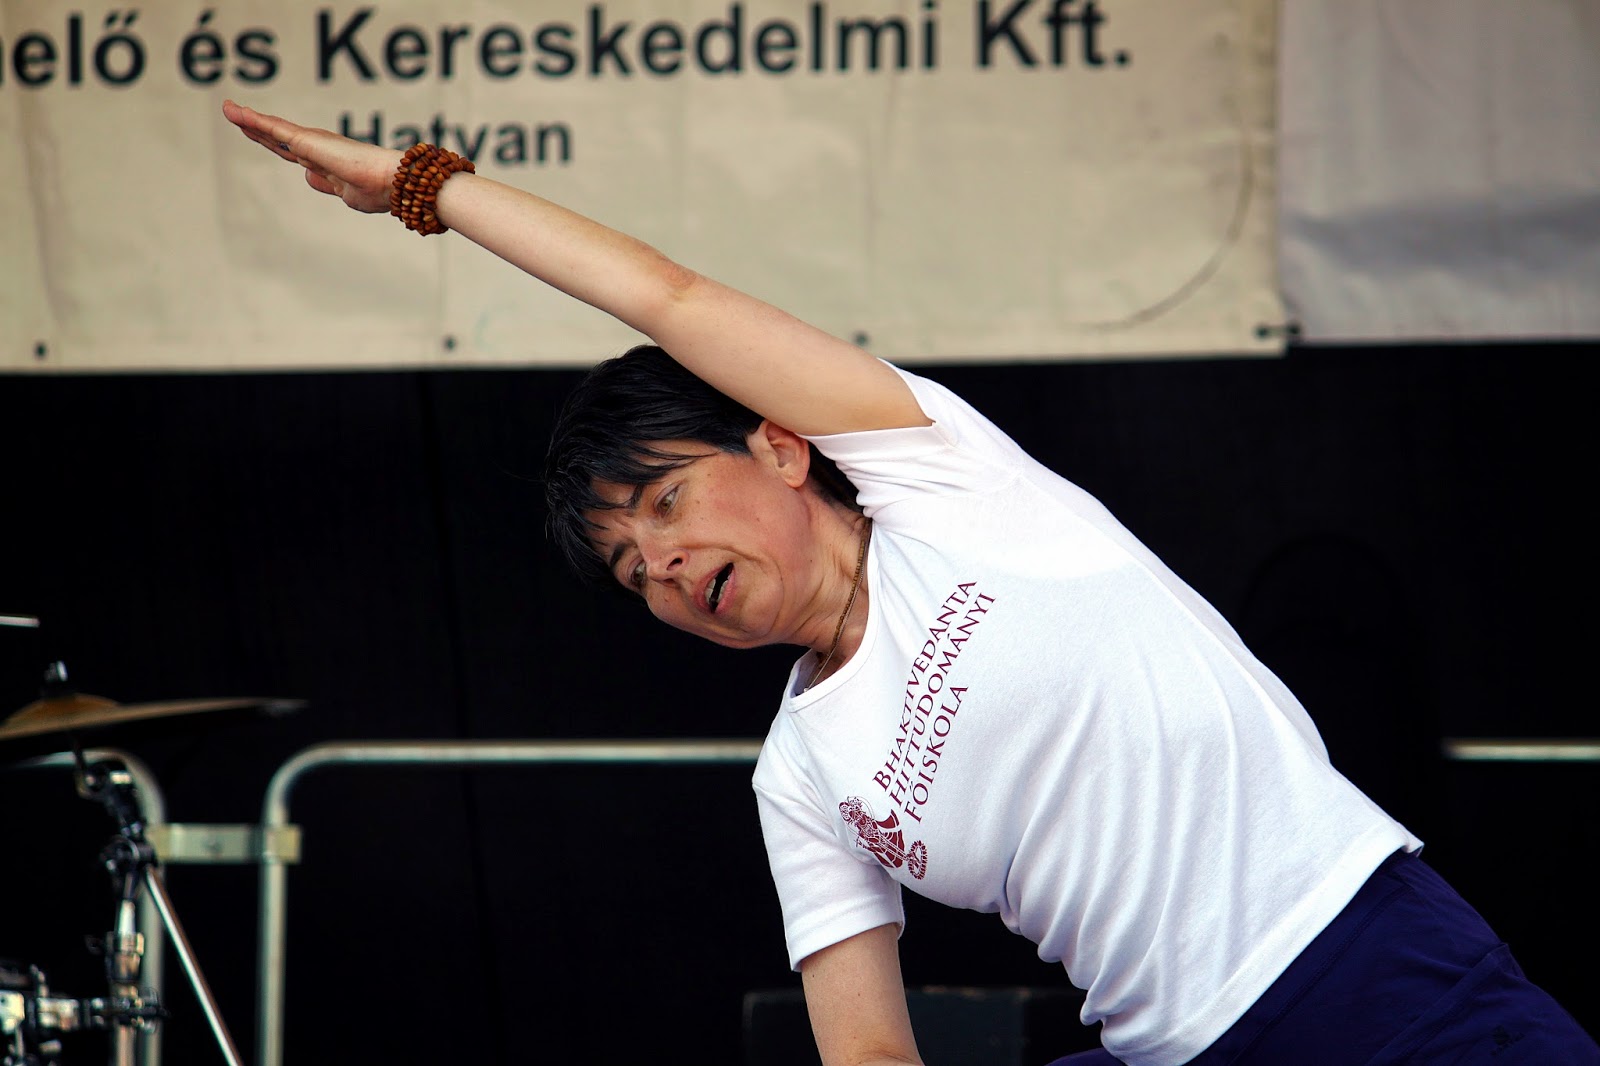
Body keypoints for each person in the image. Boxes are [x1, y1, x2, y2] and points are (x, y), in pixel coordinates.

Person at [222, 100, 1599, 1065]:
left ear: (779, 443)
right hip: (1167, 1049)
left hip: (1373, 971)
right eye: (633, 570)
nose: (666, 566)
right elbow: (867, 1042)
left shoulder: (937, 478)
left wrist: (428, 191)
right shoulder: (801, 772)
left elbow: (668, 299)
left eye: (667, 501)